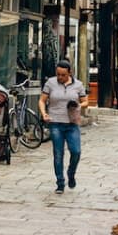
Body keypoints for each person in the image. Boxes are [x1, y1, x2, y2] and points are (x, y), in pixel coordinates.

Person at [39, 60, 88, 194]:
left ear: (69, 73)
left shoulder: (78, 85)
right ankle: (60, 182)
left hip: (72, 123)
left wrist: (79, 105)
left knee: (76, 151)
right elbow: (42, 100)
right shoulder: (50, 83)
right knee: (58, 153)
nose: (60, 77)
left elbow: (85, 102)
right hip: (55, 123)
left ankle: (71, 173)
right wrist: (44, 114)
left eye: (63, 75)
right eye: (58, 74)